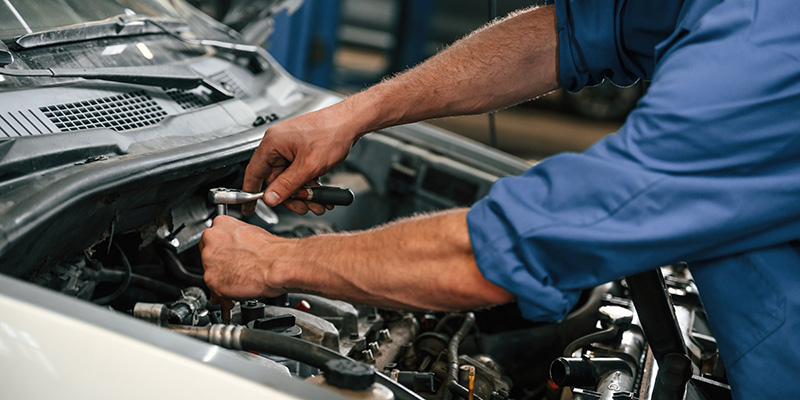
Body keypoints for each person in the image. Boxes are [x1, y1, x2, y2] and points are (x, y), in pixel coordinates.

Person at [200, 1, 800, 397]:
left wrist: (270, 262)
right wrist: (356, 112)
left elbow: (509, 250)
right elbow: (572, 32)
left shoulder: (771, 46)